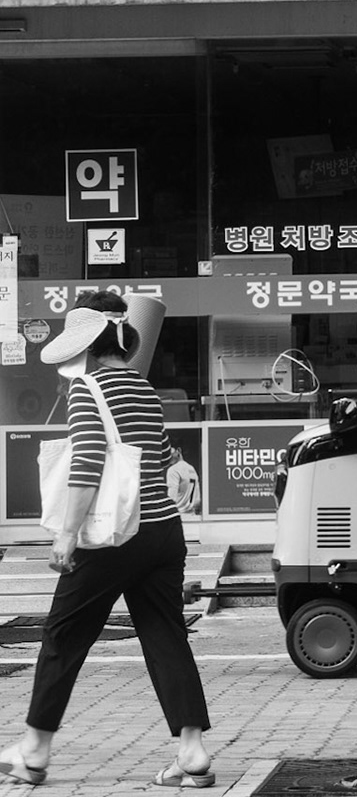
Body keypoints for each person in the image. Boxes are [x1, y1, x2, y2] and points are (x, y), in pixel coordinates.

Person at [0, 292, 213, 789]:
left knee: (62, 638)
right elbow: (161, 454)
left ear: (87, 346)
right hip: (164, 533)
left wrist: (67, 534)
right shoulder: (144, 387)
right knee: (165, 637)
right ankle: (193, 752)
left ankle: (32, 751)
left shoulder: (87, 388)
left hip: (114, 537)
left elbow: (88, 459)